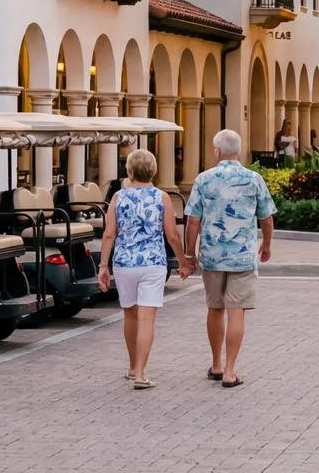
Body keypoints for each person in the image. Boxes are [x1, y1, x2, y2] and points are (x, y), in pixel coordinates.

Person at [181, 129, 275, 388]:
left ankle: (216, 364)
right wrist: (266, 244)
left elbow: (192, 220)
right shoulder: (254, 179)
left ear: (217, 151)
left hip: (212, 256)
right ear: (239, 151)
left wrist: (190, 254)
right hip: (243, 257)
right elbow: (266, 218)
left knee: (215, 308)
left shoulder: (204, 179)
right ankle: (231, 371)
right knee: (237, 312)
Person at [97, 149, 184, 389]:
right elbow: (172, 235)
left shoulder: (118, 198)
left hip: (124, 263)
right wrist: (183, 261)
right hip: (152, 263)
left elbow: (109, 234)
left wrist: (103, 265)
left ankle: (133, 365)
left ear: (130, 171)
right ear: (154, 171)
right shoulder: (162, 198)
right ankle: (141, 374)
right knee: (147, 318)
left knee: (130, 315)